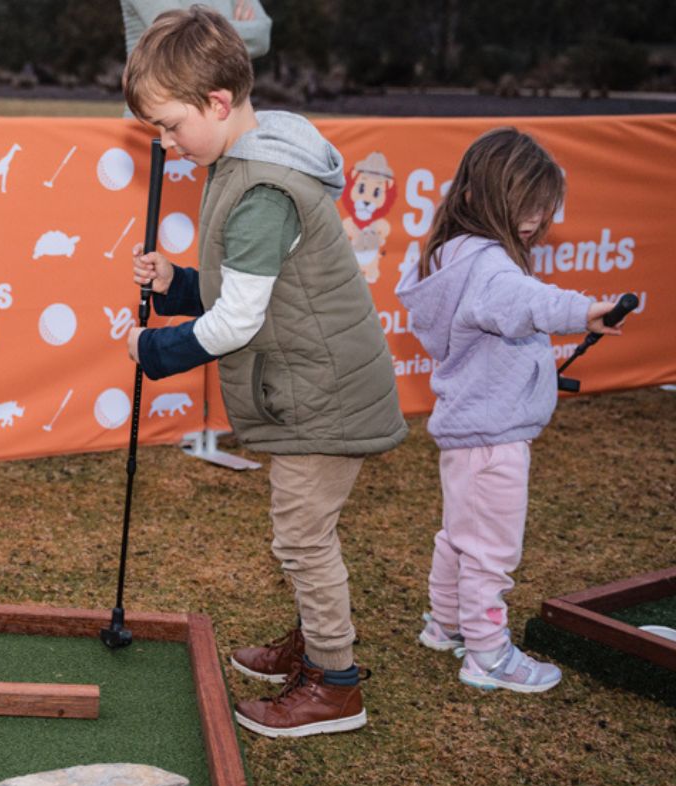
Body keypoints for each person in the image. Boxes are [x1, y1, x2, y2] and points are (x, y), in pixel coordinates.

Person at [122, 8, 407, 738]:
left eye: (170, 125)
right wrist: (178, 282)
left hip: (323, 396)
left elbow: (236, 322)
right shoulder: (239, 159)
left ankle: (335, 684)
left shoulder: (258, 188)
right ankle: (314, 643)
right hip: (311, 384)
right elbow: (245, 287)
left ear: (217, 104)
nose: (165, 142)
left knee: (302, 538)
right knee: (304, 531)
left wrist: (155, 351)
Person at [395, 128, 625, 693]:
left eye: (540, 210)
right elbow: (531, 301)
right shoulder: (491, 267)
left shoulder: (449, 255)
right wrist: (587, 310)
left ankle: (445, 625)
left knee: (459, 537)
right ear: (480, 198)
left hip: (468, 432)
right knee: (490, 552)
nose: (533, 221)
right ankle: (488, 655)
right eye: (522, 207)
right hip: (493, 437)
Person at [121, 0, 271, 61]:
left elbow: (261, 38)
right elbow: (182, 39)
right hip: (159, 119)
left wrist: (203, 31)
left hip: (226, 116)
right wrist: (240, 30)